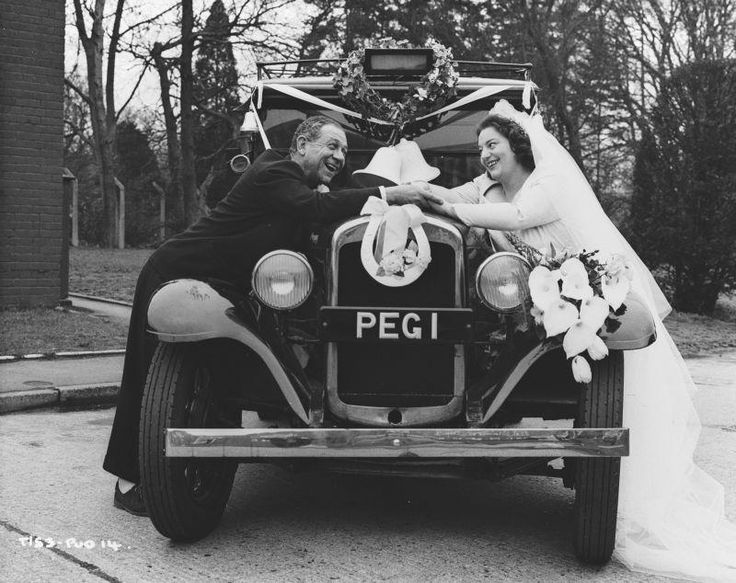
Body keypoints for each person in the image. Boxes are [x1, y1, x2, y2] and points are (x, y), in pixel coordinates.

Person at [429, 100, 736, 582]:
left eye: (493, 144)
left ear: (519, 147)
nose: (485, 154)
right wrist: (403, 190)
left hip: (570, 288)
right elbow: (450, 194)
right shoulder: (486, 187)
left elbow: (517, 217)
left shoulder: (548, 183)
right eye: (480, 147)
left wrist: (449, 208)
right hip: (531, 294)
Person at [104, 115, 444, 516]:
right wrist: (394, 193)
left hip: (222, 283)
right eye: (331, 146)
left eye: (344, 152)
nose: (339, 156)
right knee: (147, 375)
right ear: (301, 144)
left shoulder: (302, 182)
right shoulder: (273, 170)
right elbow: (316, 207)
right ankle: (128, 482)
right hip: (178, 272)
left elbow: (336, 204)